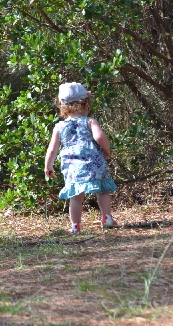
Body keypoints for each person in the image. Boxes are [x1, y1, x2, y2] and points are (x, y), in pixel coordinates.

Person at [44, 82, 119, 234]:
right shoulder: (90, 121)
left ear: (62, 106)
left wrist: (48, 166)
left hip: (73, 167)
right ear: (85, 104)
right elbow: (99, 136)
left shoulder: (59, 127)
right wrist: (107, 150)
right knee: (103, 190)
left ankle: (76, 226)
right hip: (94, 164)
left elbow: (52, 149)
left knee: (76, 197)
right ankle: (107, 218)